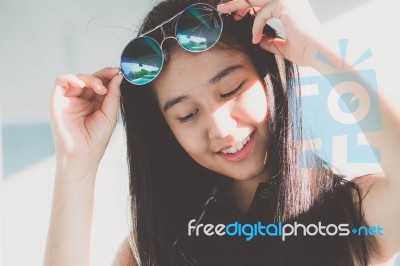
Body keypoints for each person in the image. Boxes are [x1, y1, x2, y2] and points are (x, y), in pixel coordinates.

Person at [44, 0, 400, 265]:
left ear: (267, 80)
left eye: (230, 90)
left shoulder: (349, 214)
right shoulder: (152, 248)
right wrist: (77, 161)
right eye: (186, 115)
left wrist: (322, 52)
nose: (221, 128)